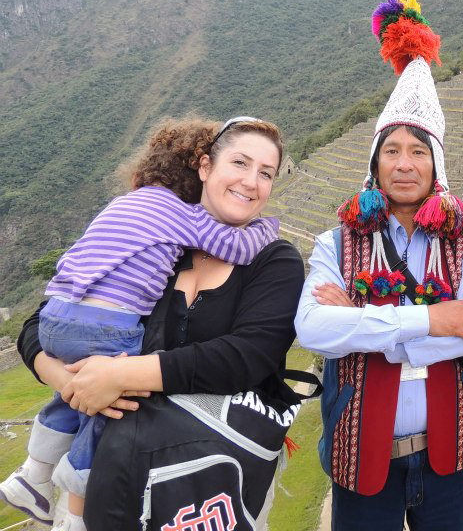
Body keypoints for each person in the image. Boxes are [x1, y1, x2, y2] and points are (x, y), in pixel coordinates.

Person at [13, 116, 305, 531]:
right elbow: (40, 323)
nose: (251, 182)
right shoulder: (158, 241)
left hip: (216, 479)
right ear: (205, 167)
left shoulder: (274, 260)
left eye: (266, 173)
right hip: (123, 474)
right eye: (239, 163)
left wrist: (121, 374)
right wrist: (74, 384)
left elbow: (248, 357)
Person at [296, 0, 463, 531]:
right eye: (392, 151)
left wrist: (359, 322)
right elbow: (314, 328)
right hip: (363, 455)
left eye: (418, 151)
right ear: (374, 164)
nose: (404, 164)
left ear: (437, 166)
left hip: (450, 456)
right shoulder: (335, 245)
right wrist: (433, 319)